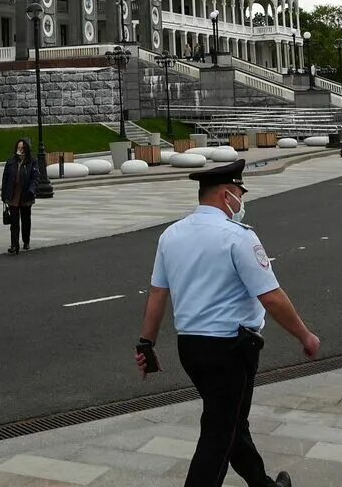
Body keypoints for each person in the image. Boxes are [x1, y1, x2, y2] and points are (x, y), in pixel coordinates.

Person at [135, 159, 316, 487]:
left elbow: (158, 295)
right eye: (239, 195)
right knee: (219, 433)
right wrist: (305, 336)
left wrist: (145, 343)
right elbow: (271, 297)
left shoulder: (171, 235)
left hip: (190, 347)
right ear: (227, 195)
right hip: (230, 349)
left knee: (232, 423)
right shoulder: (238, 237)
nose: (241, 203)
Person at [1, 137, 43, 254]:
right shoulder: (11, 162)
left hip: (25, 195)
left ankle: (26, 240)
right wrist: (4, 195)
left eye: (22, 148)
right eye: (18, 148)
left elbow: (35, 178)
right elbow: (5, 179)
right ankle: (14, 245)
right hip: (13, 195)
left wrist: (31, 189)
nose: (20, 150)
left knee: (25, 219)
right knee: (14, 221)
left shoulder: (32, 162)